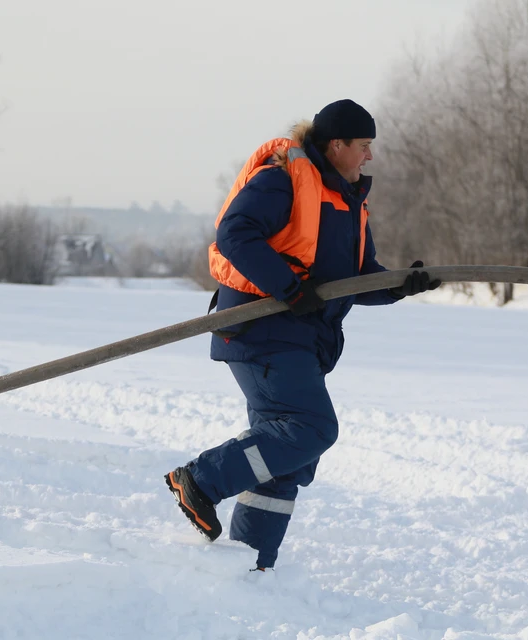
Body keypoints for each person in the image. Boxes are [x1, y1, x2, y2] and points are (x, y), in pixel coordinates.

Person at [165, 99, 440, 571]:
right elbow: (235, 234)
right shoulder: (282, 179)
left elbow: (358, 278)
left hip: (297, 339)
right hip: (260, 329)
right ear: (336, 145)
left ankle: (251, 567)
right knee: (310, 429)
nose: (369, 157)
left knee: (284, 458)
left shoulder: (348, 199)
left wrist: (400, 285)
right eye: (364, 146)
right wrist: (291, 289)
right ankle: (201, 481)